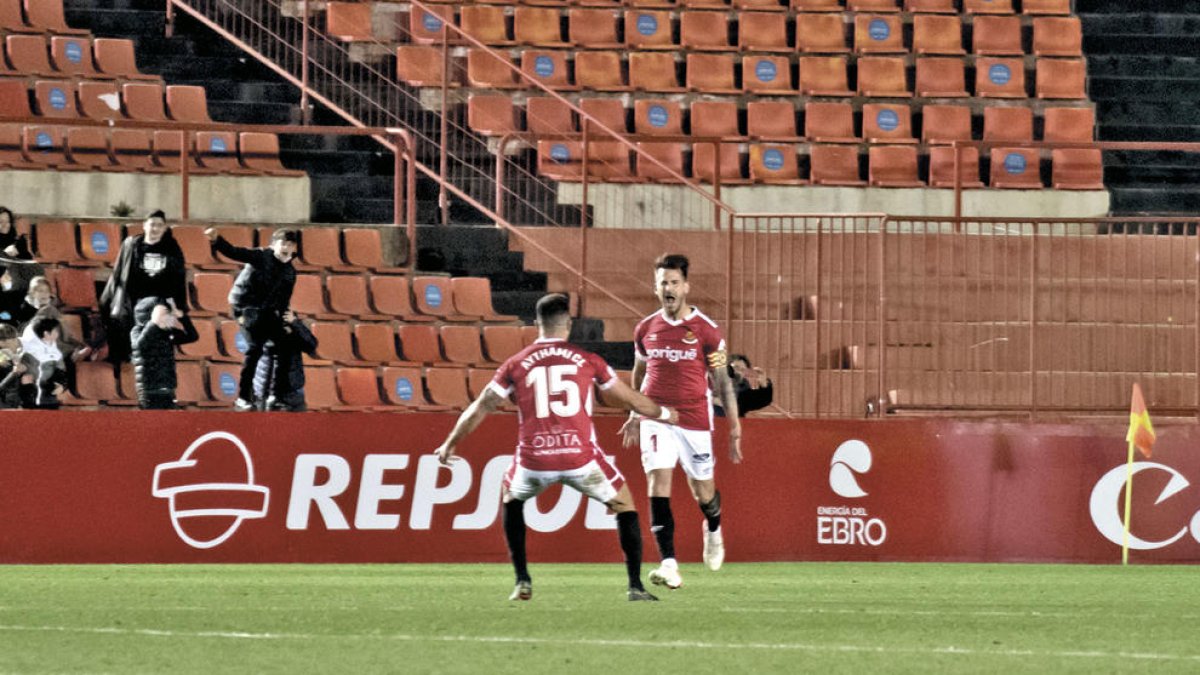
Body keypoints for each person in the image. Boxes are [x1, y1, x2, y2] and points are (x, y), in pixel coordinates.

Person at [434, 293, 678, 602]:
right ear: (569, 325)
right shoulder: (588, 360)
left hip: (534, 460)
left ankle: (522, 580)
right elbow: (628, 398)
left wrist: (449, 444)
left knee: (511, 498)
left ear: (537, 324)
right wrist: (665, 414)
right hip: (580, 458)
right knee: (625, 506)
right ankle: (634, 586)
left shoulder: (516, 363)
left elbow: (483, 405)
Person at [620, 253, 742, 591]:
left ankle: (714, 528)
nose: (668, 288)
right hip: (656, 416)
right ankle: (669, 564)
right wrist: (635, 411)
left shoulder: (707, 331)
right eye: (663, 283)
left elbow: (721, 380)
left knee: (703, 492)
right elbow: (640, 372)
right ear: (655, 287)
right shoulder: (644, 329)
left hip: (694, 419)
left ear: (686, 286)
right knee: (658, 482)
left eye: (674, 282)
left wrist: (734, 427)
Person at [204, 226, 300, 411]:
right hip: (245, 308)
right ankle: (243, 397)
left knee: (285, 345)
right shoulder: (261, 256)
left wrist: (285, 322)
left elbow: (284, 300)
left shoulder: (290, 271)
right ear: (273, 245)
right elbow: (234, 252)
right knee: (254, 350)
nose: (286, 247)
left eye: (290, 244)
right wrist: (217, 240)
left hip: (267, 312)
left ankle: (275, 395)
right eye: (283, 243)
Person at [100, 210, 189, 362]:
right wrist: (108, 300)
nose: (155, 229)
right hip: (134, 301)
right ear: (144, 226)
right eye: (152, 224)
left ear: (165, 228)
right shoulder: (132, 244)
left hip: (157, 303)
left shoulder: (172, 248)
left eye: (159, 225)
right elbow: (118, 273)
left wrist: (179, 304)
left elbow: (179, 278)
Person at [130, 296, 199, 409]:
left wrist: (182, 317)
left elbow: (192, 336)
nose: (167, 318)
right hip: (149, 391)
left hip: (168, 388)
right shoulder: (137, 330)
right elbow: (140, 346)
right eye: (163, 315)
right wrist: (154, 323)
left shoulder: (167, 333)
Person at [252, 309, 318, 412]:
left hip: (293, 390)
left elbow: (311, 345)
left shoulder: (289, 317)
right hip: (269, 391)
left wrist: (295, 323)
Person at [19, 316, 67, 408]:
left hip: (49, 395)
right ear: (46, 334)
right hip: (30, 396)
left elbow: (61, 372)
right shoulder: (27, 352)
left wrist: (61, 385)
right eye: (55, 331)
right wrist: (25, 383)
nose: (58, 333)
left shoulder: (56, 352)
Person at [0, 322, 27, 408]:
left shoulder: (14, 358)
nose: (17, 342)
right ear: (1, 342)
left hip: (15, 405)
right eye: (13, 340)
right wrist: (14, 373)